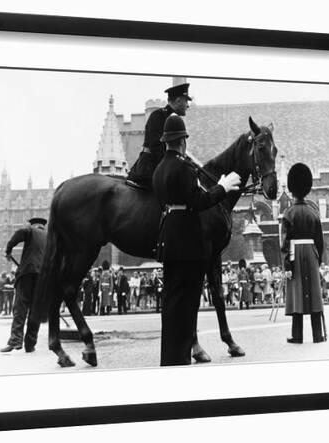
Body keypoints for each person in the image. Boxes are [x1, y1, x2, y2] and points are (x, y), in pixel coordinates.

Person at [152, 113, 241, 366]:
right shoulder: (184, 167)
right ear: (183, 142)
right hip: (189, 244)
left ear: (166, 141)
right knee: (188, 305)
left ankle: (169, 358)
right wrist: (222, 188)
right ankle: (181, 360)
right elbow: (198, 202)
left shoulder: (159, 170)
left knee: (171, 304)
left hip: (168, 240)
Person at [281, 163, 326, 344]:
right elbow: (320, 241)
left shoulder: (288, 213)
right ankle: (318, 335)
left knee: (296, 294)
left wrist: (287, 265)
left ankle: (297, 335)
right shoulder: (314, 213)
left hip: (294, 253)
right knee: (314, 295)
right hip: (311, 253)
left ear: (292, 190)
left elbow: (284, 243)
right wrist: (318, 260)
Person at [126, 82, 192, 188]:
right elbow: (156, 147)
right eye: (186, 101)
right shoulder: (158, 116)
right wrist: (174, 166)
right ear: (179, 100)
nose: (188, 105)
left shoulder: (175, 119)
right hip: (150, 168)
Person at [0, 217, 47, 353]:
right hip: (42, 277)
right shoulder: (50, 237)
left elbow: (19, 233)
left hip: (27, 273)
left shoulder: (30, 230)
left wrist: (8, 250)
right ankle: (30, 344)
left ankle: (15, 341)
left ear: (33, 224)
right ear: (43, 226)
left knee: (20, 307)